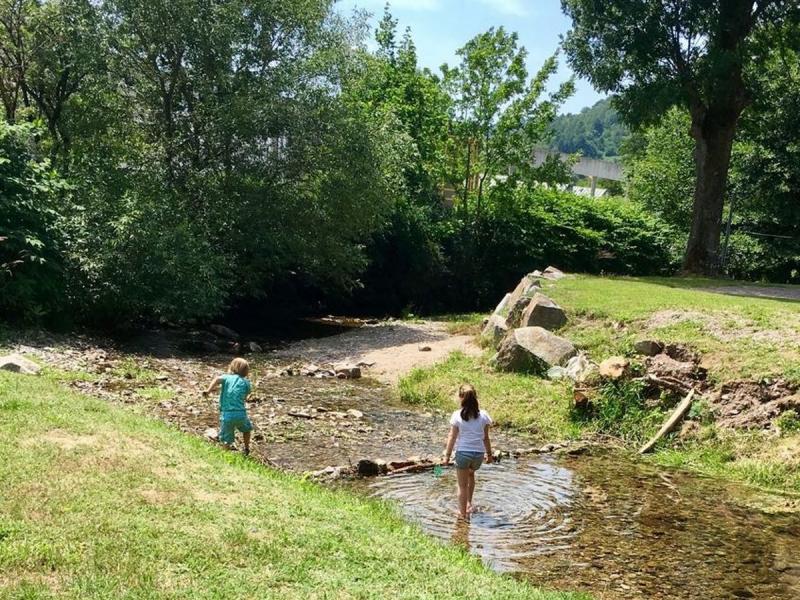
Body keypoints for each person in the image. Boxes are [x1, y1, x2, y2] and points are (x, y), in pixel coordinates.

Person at [443, 384, 493, 520]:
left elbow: (452, 437)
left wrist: (447, 456)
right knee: (471, 475)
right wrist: (489, 455)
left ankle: (462, 514)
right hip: (478, 456)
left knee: (462, 485)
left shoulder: (457, 415)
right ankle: (469, 504)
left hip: (463, 454)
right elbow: (486, 437)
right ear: (476, 397)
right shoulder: (483, 415)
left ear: (461, 398)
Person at [203, 357, 253, 455]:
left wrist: (208, 390)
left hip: (226, 415)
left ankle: (225, 454)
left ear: (232, 367)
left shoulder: (226, 377)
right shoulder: (246, 382)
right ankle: (246, 449)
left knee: (226, 438)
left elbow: (217, 379)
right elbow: (247, 394)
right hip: (241, 414)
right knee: (247, 429)